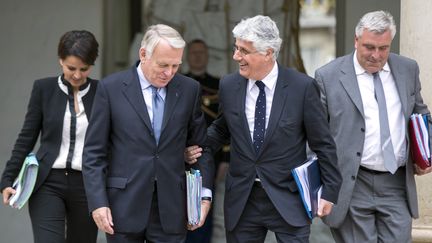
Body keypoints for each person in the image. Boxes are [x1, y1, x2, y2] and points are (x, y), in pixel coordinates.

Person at [186, 15, 342, 243]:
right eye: (236, 48)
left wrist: (329, 191)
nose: (236, 56)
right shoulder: (229, 85)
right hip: (243, 199)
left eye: (243, 51)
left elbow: (323, 143)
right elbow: (221, 129)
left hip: (289, 198)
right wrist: (197, 147)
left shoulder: (302, 87)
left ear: (268, 52)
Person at [82, 24, 213, 243]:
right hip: (122, 207)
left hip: (172, 207)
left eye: (175, 65)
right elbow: (94, 153)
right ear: (143, 54)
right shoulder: (110, 88)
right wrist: (98, 202)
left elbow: (201, 147)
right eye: (163, 65)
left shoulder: (189, 89)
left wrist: (204, 194)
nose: (169, 73)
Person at [314, 10, 432, 243]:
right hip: (352, 182)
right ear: (356, 41)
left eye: (383, 48)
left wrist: (426, 150)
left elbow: (420, 113)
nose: (376, 55)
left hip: (396, 182)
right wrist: (319, 185)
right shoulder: (328, 76)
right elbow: (317, 134)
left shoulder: (408, 69)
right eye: (369, 47)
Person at [0, 30, 99, 243]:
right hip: (47, 182)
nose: (77, 75)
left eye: (84, 69)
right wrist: (7, 179)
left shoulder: (103, 93)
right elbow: (26, 137)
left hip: (87, 185)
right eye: (71, 68)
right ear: (60, 60)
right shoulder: (43, 89)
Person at [184, 39, 230, 243]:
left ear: (207, 55)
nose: (197, 56)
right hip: (181, 157)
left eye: (201, 52)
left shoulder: (219, 85)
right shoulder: (178, 82)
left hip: (211, 157)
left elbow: (225, 125)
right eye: (193, 52)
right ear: (186, 56)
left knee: (204, 206)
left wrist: (226, 159)